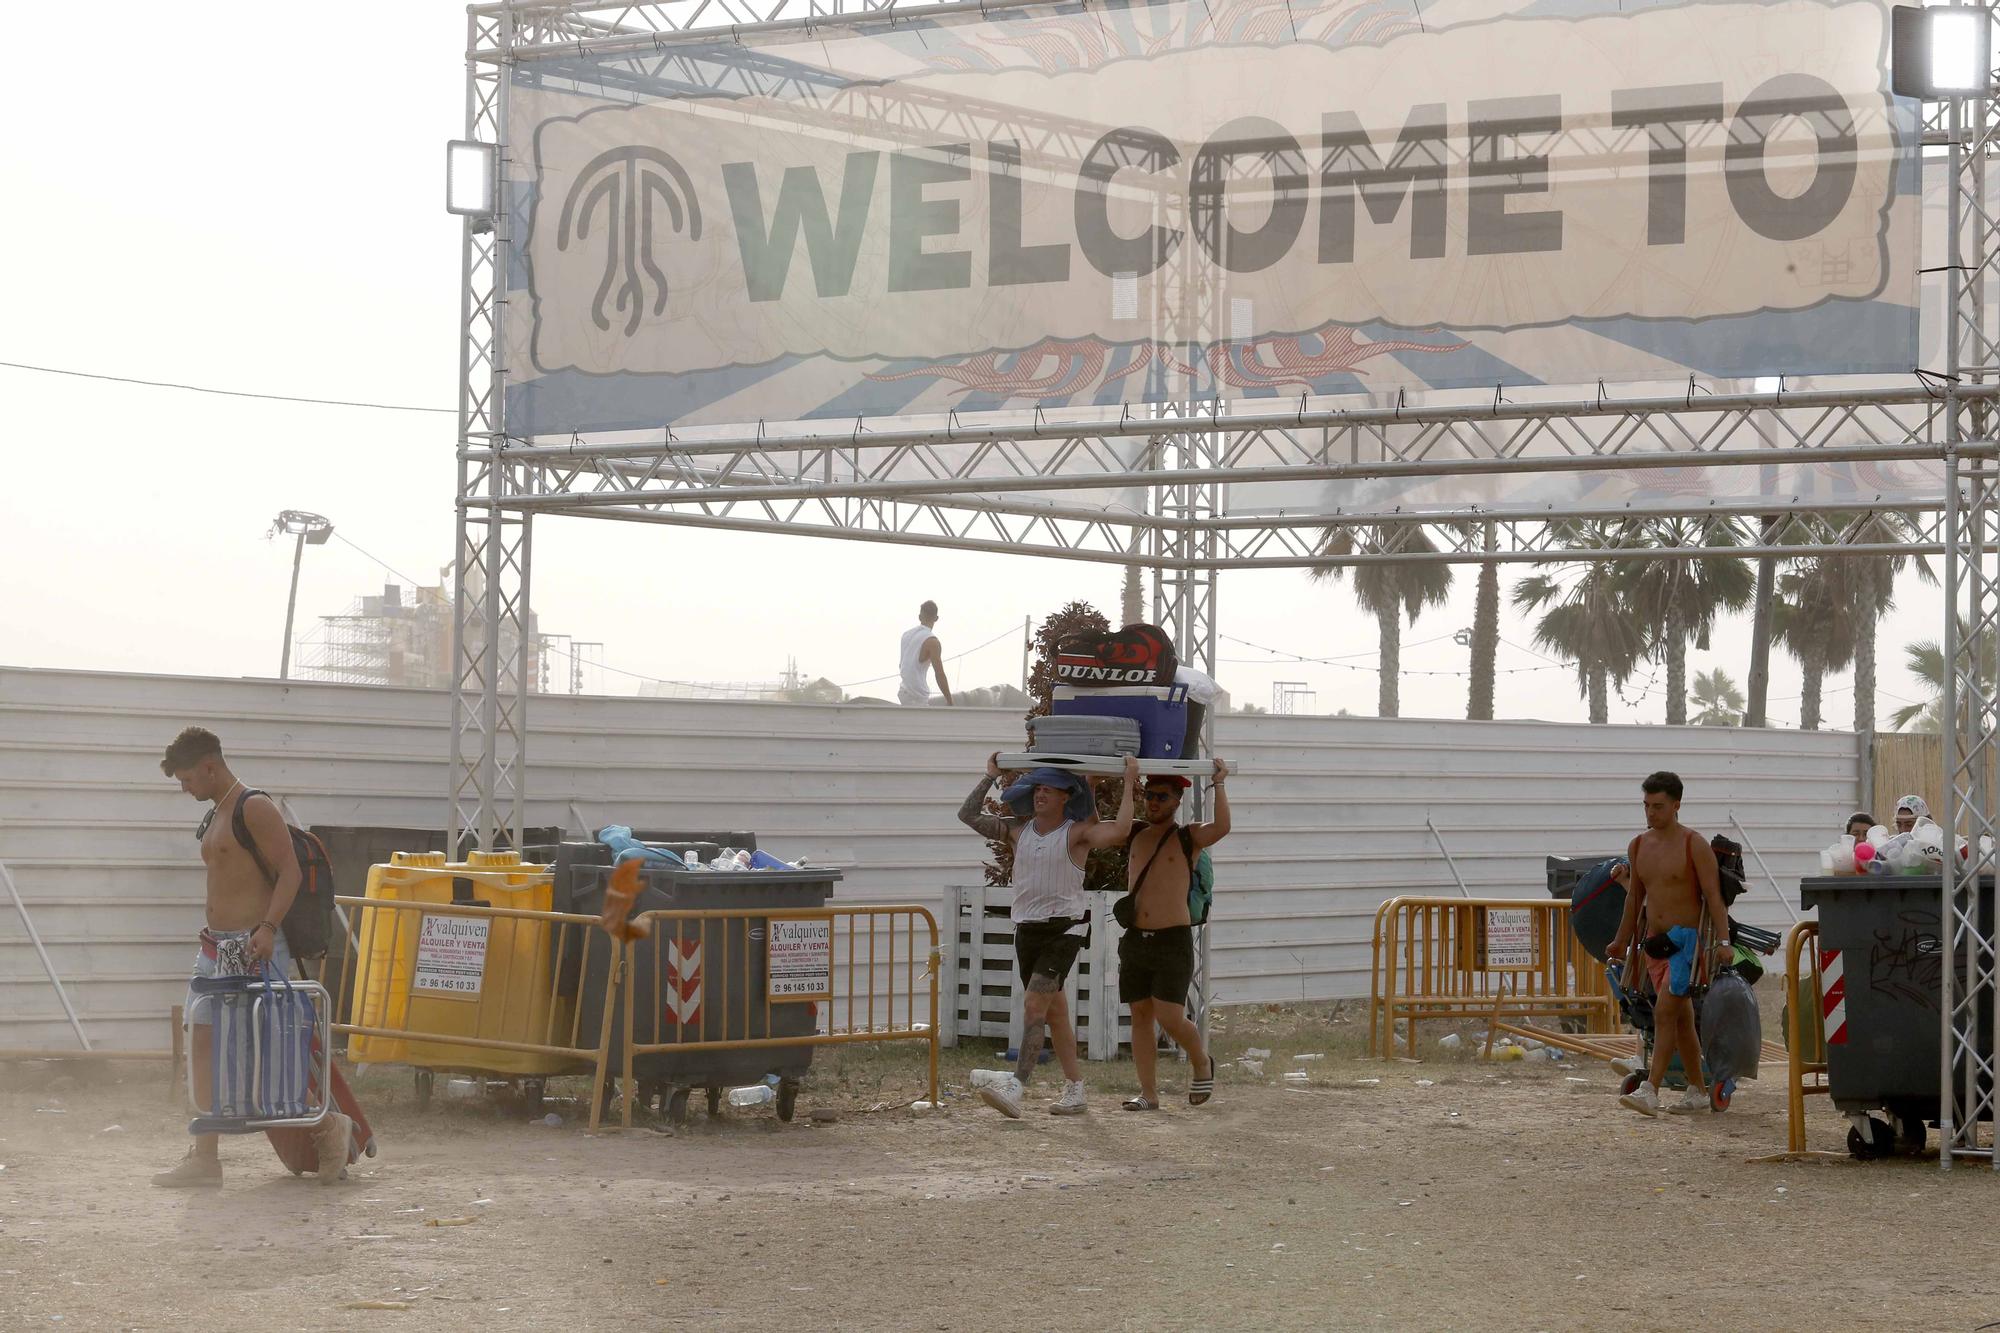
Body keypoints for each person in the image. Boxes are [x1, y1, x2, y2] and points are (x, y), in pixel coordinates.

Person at [153, 727, 352, 1187]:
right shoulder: (217, 812)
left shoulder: (253, 807)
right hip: (216, 948)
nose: (185, 789)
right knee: (201, 1043)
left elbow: (290, 872)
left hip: (254, 946)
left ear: (209, 766)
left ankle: (328, 1128)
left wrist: (267, 928)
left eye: (187, 779)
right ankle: (205, 1158)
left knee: (266, 1051)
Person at [957, 752, 1138, 1117]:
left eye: (1050, 789)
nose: (1041, 794)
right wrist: (989, 774)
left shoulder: (1076, 833)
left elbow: (1119, 832)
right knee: (1055, 1014)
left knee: (1034, 1005)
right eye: (1038, 787)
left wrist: (1130, 781)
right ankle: (1075, 1090)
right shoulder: (1016, 830)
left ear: (1065, 797)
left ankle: (1016, 1086)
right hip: (1027, 929)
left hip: (1064, 929)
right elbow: (968, 815)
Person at [1607, 770, 1733, 1118]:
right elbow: (1634, 899)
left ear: (1677, 805)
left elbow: (1713, 897)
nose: (1651, 813)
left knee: (1664, 1012)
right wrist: (1619, 941)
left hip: (1687, 944)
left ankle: (1651, 1090)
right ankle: (1696, 1091)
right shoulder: (1638, 845)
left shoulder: (1694, 844)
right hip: (1654, 944)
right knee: (1679, 1020)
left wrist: (1723, 942)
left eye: (1658, 806)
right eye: (1646, 805)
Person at [1119, 760, 1229, 1111]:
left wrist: (1219, 784)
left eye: (1161, 797)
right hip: (1137, 938)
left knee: (1169, 1017)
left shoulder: (1188, 836)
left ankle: (1200, 1060)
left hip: (1172, 940)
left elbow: (1223, 827)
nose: (1153, 802)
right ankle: (1148, 1093)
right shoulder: (1134, 832)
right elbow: (1096, 827)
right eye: (1149, 795)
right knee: (1139, 1014)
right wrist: (1114, 783)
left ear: (1176, 800)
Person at [898, 601, 952, 707]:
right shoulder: (932, 642)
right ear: (936, 618)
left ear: (919, 617)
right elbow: (939, 674)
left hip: (903, 692)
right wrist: (950, 701)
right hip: (917, 695)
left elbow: (903, 664)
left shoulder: (906, 635)